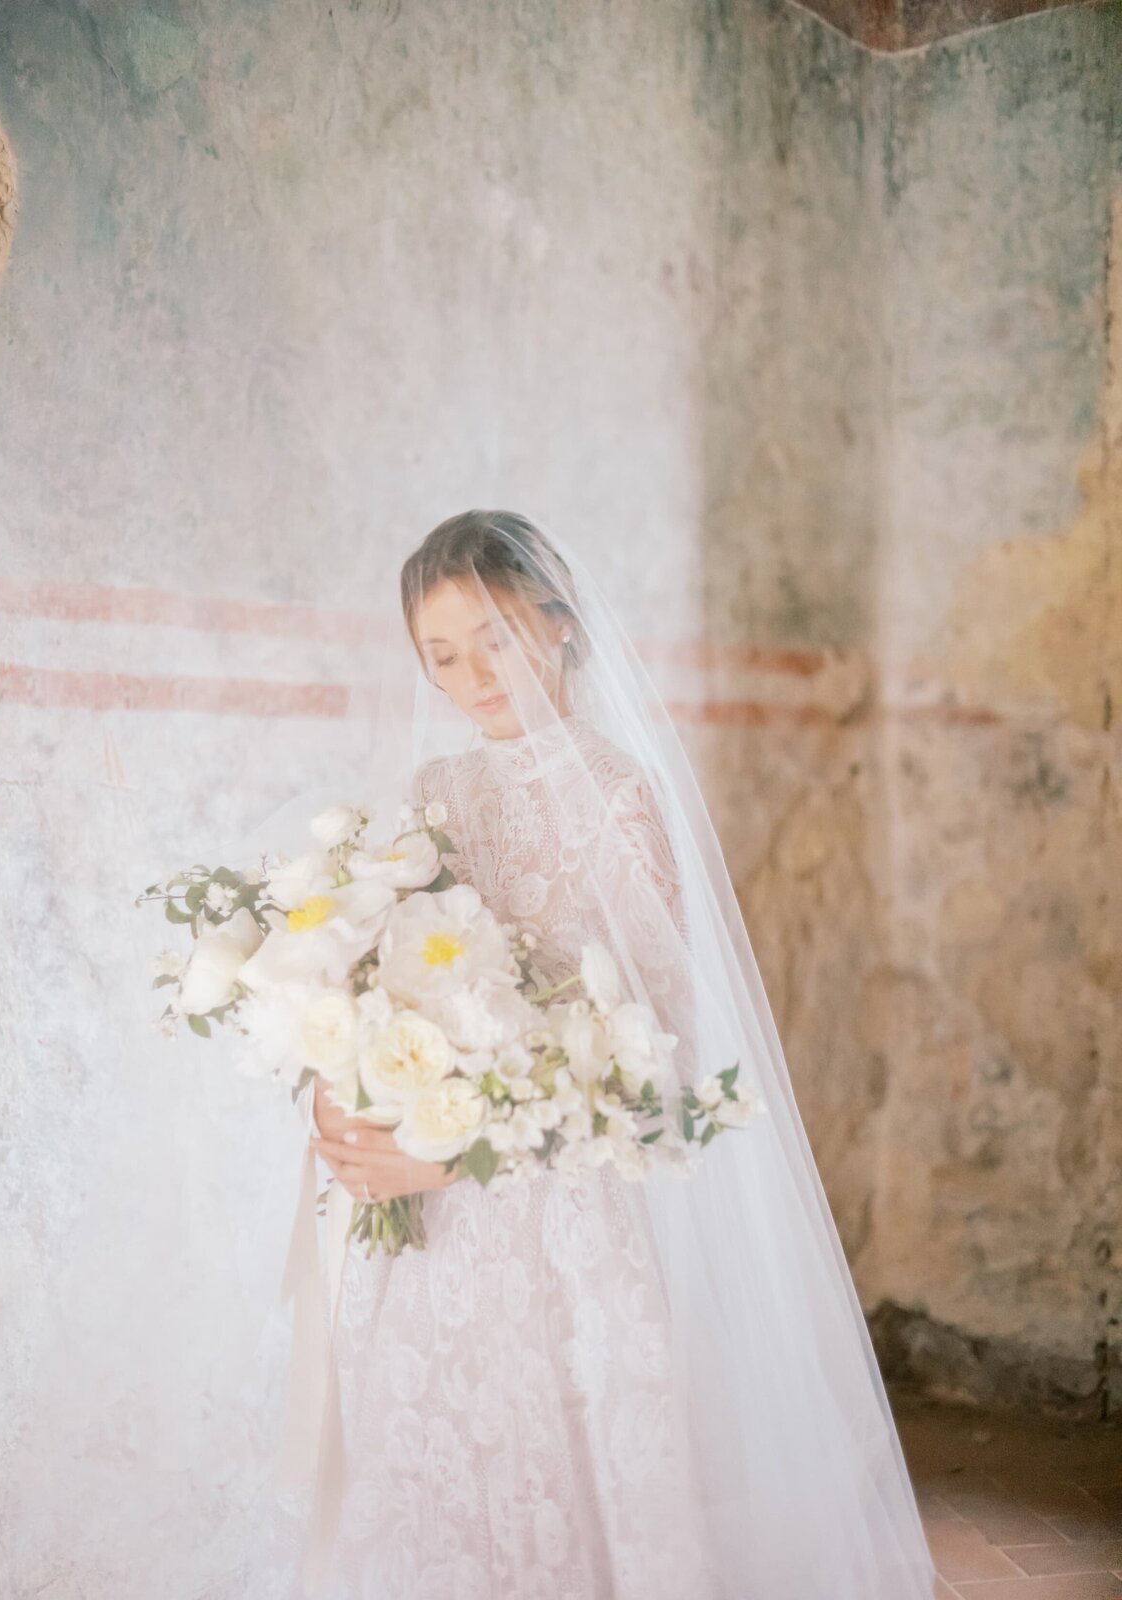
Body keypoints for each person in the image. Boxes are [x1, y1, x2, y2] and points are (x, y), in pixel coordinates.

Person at [283, 510, 937, 1599]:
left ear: (562, 623)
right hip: (429, 1238)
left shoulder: (622, 802)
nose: (472, 675)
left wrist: (446, 1156)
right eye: (441, 656)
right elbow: (377, 975)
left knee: (566, 1485)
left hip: (561, 1223)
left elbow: (653, 1068)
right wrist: (338, 1077)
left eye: (493, 637)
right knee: (438, 1471)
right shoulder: (433, 800)